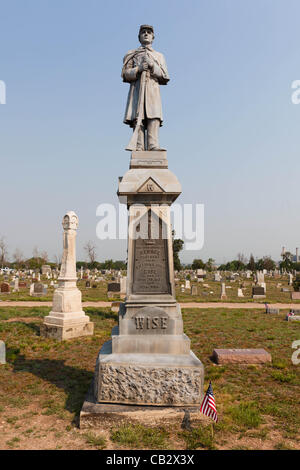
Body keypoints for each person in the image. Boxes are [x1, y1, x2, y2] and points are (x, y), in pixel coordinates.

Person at [122, 25, 169, 151]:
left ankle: (153, 145)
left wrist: (152, 65)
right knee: (138, 118)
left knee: (153, 116)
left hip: (152, 90)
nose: (146, 34)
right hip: (137, 90)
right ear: (139, 37)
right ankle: (139, 146)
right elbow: (125, 74)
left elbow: (164, 76)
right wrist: (138, 69)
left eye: (149, 32)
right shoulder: (132, 54)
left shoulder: (159, 56)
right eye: (143, 32)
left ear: (153, 37)